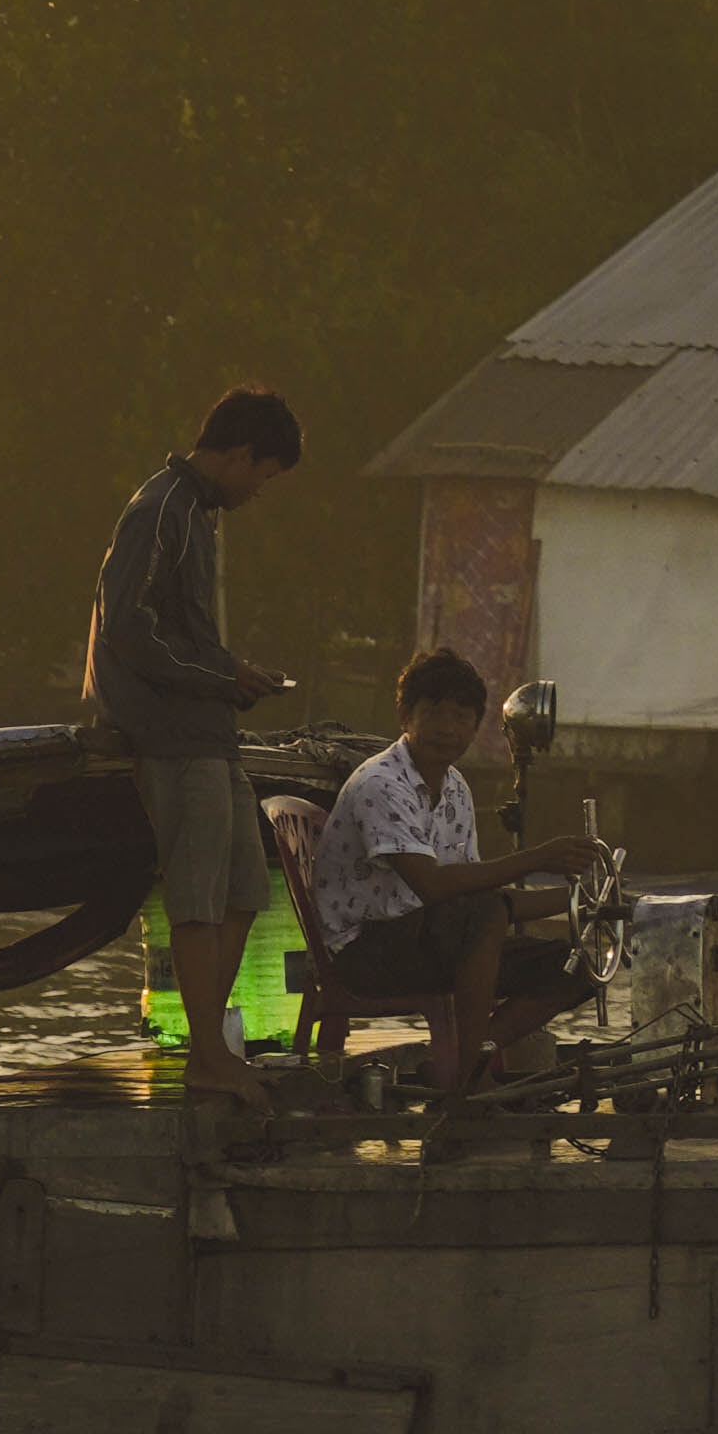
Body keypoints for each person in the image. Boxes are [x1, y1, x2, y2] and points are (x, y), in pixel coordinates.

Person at [85, 387, 303, 1105]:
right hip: (170, 736)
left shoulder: (196, 516)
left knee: (244, 888)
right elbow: (129, 630)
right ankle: (209, 1058)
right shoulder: (162, 510)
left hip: (209, 732)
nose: (259, 490)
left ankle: (214, 1047)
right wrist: (221, 673)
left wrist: (234, 678)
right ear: (238, 454)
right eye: (263, 475)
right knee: (198, 900)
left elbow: (180, 634)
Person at [312, 650, 581, 1059]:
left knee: (578, 964)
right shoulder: (381, 782)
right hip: (363, 953)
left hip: (428, 939)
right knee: (482, 914)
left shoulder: (455, 787)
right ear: (406, 716)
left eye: (461, 717)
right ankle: (465, 1071)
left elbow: (478, 897)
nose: (447, 729)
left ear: (475, 727)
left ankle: (472, 1053)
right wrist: (539, 858)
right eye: (434, 713)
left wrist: (588, 900)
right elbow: (435, 885)